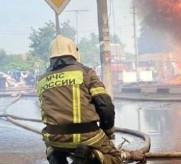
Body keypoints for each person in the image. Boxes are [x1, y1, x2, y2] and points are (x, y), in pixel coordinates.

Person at [36, 35, 144, 164]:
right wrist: (107, 133)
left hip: (54, 137)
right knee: (114, 157)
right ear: (74, 52)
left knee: (50, 143)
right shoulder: (86, 73)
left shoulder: (42, 80)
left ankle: (54, 154)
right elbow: (105, 105)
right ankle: (93, 157)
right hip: (86, 135)